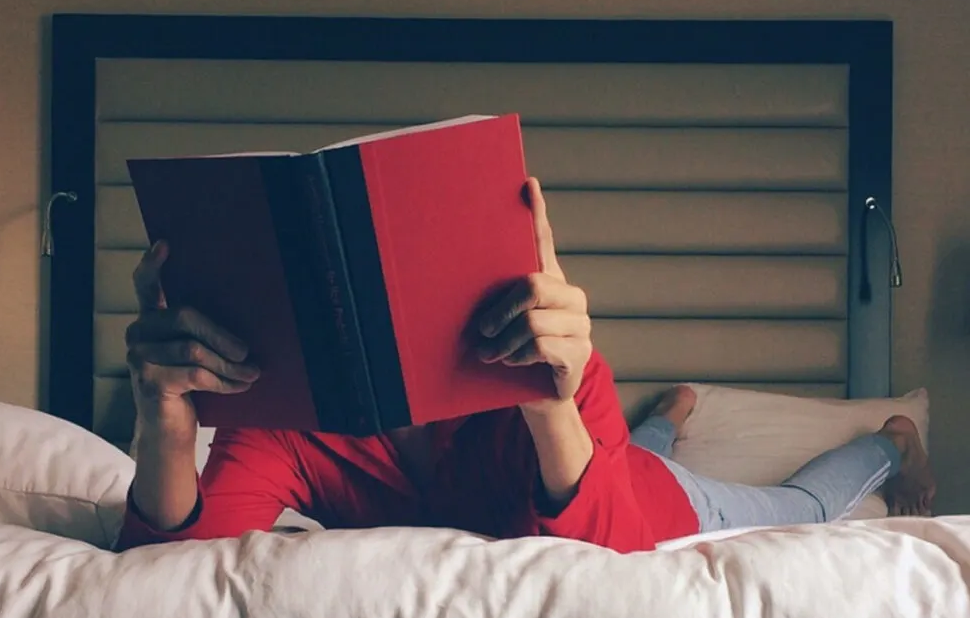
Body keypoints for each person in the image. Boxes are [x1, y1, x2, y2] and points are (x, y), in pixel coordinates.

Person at [116, 178, 934, 556]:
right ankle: (673, 415)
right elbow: (173, 563)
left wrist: (549, 408)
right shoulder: (289, 423)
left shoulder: (546, 365)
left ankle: (892, 442)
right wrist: (166, 423)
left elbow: (611, 555)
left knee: (801, 505)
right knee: (631, 447)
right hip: (613, 463)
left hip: (662, 505)